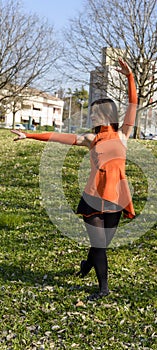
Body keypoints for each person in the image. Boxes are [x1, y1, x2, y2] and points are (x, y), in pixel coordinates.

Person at [11, 58, 138, 300]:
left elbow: (133, 104)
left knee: (102, 244)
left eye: (94, 114)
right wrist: (28, 134)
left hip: (116, 198)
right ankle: (103, 289)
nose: (91, 118)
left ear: (105, 115)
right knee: (99, 244)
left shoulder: (123, 134)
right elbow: (59, 137)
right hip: (93, 198)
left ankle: (86, 265)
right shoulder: (91, 139)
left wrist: (129, 77)